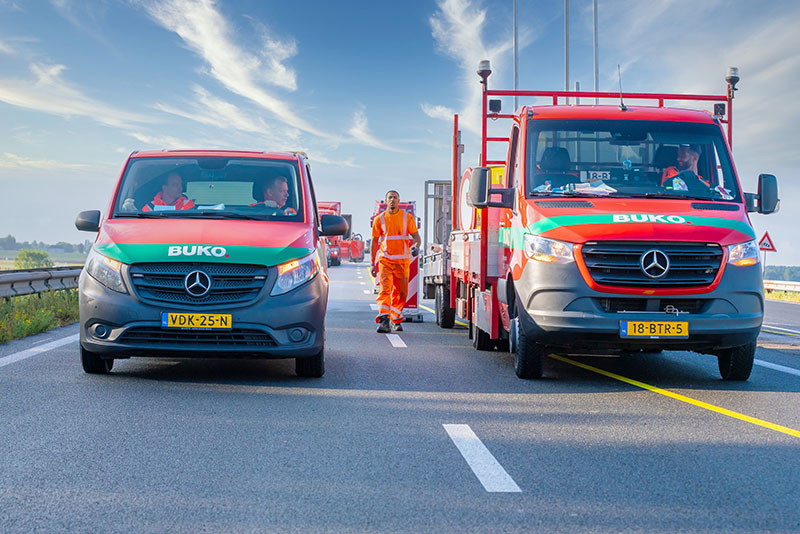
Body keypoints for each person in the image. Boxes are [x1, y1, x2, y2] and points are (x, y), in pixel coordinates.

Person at [371, 190, 421, 333]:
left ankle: (395, 319)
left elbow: (417, 238)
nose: (392, 200)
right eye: (390, 198)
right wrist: (372, 264)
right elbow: (374, 242)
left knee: (402, 293)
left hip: (402, 262)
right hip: (385, 261)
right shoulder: (379, 219)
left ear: (399, 201)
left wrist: (416, 247)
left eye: (395, 198)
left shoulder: (407, 218)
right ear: (385, 201)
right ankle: (384, 320)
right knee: (385, 291)